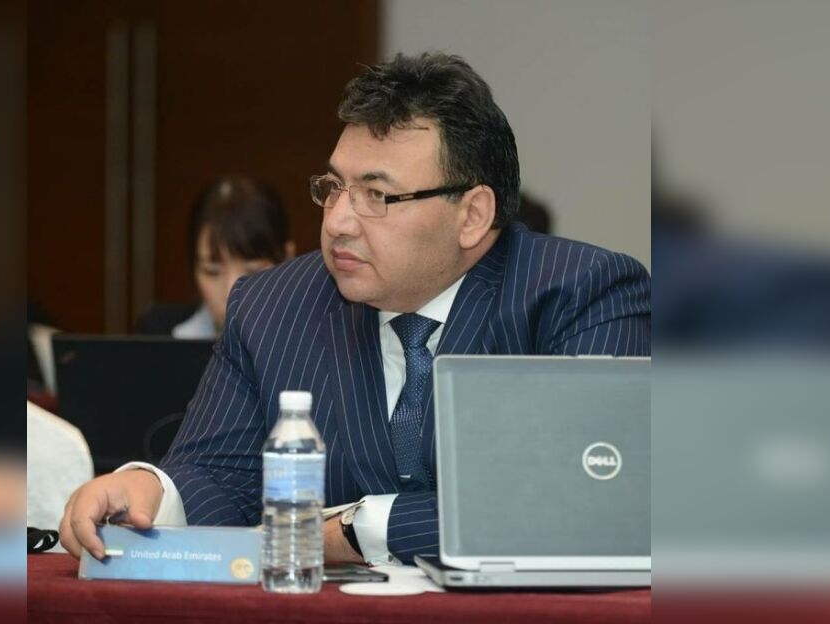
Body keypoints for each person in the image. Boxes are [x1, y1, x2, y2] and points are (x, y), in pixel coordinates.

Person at [62, 52, 651, 566]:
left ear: (472, 215)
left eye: (377, 195)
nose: (339, 222)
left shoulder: (583, 294)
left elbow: (590, 497)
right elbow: (219, 475)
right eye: (333, 187)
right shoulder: (274, 305)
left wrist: (356, 529)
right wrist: (149, 492)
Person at [134, 176, 295, 339]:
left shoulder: (307, 337)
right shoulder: (157, 334)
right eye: (212, 271)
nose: (231, 292)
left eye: (253, 271)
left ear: (287, 260)